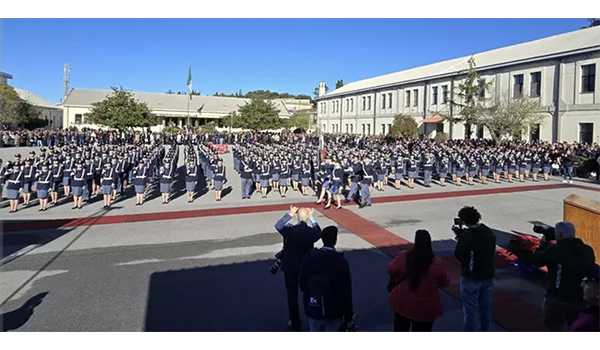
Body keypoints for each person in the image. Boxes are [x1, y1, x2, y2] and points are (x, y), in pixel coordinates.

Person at [532, 221, 597, 331]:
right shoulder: (587, 250)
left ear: (560, 235)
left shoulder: (555, 250)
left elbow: (536, 261)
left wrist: (543, 243)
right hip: (580, 299)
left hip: (558, 299)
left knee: (554, 327)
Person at [388, 230, 450, 331]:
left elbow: (391, 269)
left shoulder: (404, 256)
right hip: (425, 308)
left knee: (400, 328)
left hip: (403, 302)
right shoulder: (437, 263)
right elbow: (444, 282)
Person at [274, 206, 321, 331]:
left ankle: (295, 321)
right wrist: (312, 217)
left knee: (292, 295)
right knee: (308, 293)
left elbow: (278, 225)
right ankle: (310, 316)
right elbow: (318, 231)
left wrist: (290, 214)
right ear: (306, 218)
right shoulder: (310, 232)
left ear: (297, 217)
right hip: (306, 267)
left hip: (290, 267)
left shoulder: (290, 230)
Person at [299, 226, 353, 332]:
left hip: (314, 306)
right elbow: (347, 290)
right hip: (334, 309)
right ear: (335, 240)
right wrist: (348, 316)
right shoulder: (340, 261)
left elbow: (302, 282)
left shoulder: (310, 257)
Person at [453, 206, 496, 331]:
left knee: (469, 310)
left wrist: (460, 237)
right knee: (485, 308)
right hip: (487, 274)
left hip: (471, 276)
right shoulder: (488, 232)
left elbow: (459, 254)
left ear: (465, 221)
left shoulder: (467, 236)